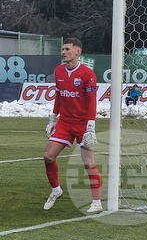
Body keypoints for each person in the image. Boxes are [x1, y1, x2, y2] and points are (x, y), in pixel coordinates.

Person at [43, 38, 103, 213]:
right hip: (65, 123)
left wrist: (91, 127)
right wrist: (53, 120)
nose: (63, 52)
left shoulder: (87, 74)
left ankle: (97, 202)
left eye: (67, 49)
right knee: (48, 156)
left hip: (83, 124)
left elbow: (92, 102)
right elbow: (59, 97)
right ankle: (56, 191)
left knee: (88, 163)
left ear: (77, 52)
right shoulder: (59, 71)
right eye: (62, 49)